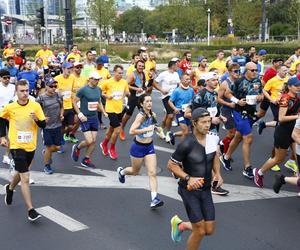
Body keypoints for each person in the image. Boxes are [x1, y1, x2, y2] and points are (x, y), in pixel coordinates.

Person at [168, 108, 223, 249]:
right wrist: (188, 178)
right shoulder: (187, 143)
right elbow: (171, 165)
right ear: (194, 123)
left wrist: (217, 174)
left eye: (209, 121)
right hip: (189, 190)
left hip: (205, 190)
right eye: (203, 122)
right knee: (199, 230)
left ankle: (180, 225)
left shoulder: (213, 138)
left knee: (209, 230)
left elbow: (215, 156)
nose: (207, 125)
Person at [0, 79, 46, 221]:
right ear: (16, 92)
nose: (25, 93)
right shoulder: (11, 107)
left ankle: (10, 188)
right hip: (16, 146)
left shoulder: (35, 106)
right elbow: (1, 119)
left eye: (27, 90)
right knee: (25, 177)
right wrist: (2, 136)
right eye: (22, 91)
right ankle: (31, 210)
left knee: (21, 173)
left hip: (31, 146)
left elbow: (43, 124)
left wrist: (36, 119)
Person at [117, 94, 164, 208]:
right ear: (142, 104)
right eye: (147, 101)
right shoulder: (140, 116)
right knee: (134, 171)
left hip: (149, 147)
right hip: (138, 147)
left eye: (150, 101)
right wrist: (145, 129)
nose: (149, 103)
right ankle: (121, 172)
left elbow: (156, 127)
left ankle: (154, 199)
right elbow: (132, 131)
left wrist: (161, 133)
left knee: (152, 173)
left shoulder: (153, 114)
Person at [253, 77, 300, 188]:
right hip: (283, 131)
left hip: (293, 131)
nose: (298, 87)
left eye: (299, 85)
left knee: (297, 157)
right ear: (289, 87)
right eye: (296, 85)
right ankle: (259, 172)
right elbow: (281, 118)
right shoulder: (285, 99)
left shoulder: (296, 98)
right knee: (279, 158)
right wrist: (297, 117)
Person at [220, 62, 263, 179]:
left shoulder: (258, 81)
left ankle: (226, 157)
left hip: (251, 112)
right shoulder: (238, 81)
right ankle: (247, 168)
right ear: (246, 71)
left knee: (238, 136)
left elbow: (260, 94)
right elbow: (227, 93)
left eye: (256, 70)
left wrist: (260, 97)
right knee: (248, 138)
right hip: (239, 112)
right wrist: (237, 101)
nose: (255, 72)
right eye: (252, 70)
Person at [71, 71, 107, 168]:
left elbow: (99, 102)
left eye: (98, 79)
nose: (97, 81)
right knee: (89, 141)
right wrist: (80, 114)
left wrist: (103, 111)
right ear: (90, 79)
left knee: (93, 141)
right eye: (95, 79)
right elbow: (74, 102)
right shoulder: (83, 90)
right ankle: (77, 147)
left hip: (94, 118)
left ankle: (86, 159)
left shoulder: (98, 89)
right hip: (85, 118)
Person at [100, 65, 130, 160]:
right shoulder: (108, 82)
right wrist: (106, 96)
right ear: (114, 72)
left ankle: (104, 144)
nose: (121, 75)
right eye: (119, 73)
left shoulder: (124, 82)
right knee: (117, 130)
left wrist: (127, 95)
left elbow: (127, 92)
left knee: (111, 129)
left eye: (122, 73)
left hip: (119, 109)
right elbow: (100, 91)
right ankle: (112, 148)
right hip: (110, 109)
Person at [36, 78, 64, 174]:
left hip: (57, 125)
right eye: (51, 86)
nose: (53, 88)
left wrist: (61, 114)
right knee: (49, 147)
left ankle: (47, 153)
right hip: (46, 127)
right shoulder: (41, 98)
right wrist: (41, 118)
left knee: (58, 148)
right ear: (46, 87)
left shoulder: (58, 96)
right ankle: (47, 166)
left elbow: (62, 107)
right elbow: (35, 110)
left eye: (55, 86)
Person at [217, 63, 243, 155]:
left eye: (239, 71)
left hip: (236, 110)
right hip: (226, 109)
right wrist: (228, 104)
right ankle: (224, 151)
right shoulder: (225, 83)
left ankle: (223, 146)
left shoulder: (240, 81)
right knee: (232, 133)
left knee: (236, 133)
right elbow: (218, 99)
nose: (238, 73)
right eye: (235, 71)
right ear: (229, 72)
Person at [120, 60, 146, 141]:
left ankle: (141, 131)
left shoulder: (143, 73)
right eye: (139, 65)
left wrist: (144, 88)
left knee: (144, 113)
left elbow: (142, 85)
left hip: (140, 97)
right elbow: (125, 84)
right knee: (128, 114)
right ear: (136, 66)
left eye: (142, 66)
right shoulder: (132, 75)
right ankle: (121, 128)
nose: (141, 67)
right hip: (132, 97)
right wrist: (136, 88)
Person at [168, 73, 195, 144]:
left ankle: (173, 134)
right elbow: (170, 101)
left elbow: (193, 100)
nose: (188, 81)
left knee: (188, 131)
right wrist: (175, 108)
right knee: (185, 131)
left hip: (188, 112)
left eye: (189, 79)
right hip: (179, 112)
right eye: (186, 79)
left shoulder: (191, 90)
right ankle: (181, 149)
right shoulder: (177, 91)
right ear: (181, 80)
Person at [55, 62, 77, 147]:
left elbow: (74, 90)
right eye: (68, 68)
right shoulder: (57, 78)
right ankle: (60, 140)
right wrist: (57, 92)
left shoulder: (72, 78)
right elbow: (52, 90)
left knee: (71, 126)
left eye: (71, 68)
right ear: (63, 69)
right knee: (62, 127)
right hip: (61, 107)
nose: (70, 70)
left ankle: (63, 135)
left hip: (70, 106)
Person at [0, 69, 15, 165]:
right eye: (5, 78)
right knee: (2, 140)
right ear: (0, 78)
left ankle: (6, 156)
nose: (7, 79)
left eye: (8, 78)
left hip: (11, 116)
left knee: (12, 137)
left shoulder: (13, 87)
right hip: (0, 115)